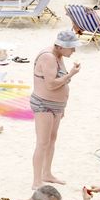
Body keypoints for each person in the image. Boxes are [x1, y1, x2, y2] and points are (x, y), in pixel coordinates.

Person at [32, 32, 81, 187]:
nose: (74, 51)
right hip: (44, 104)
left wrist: (63, 105)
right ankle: (36, 181)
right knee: (42, 142)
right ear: (61, 46)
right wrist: (72, 74)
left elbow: (60, 83)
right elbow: (51, 84)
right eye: (72, 48)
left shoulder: (59, 56)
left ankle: (47, 174)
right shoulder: (48, 57)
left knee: (52, 140)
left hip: (57, 105)